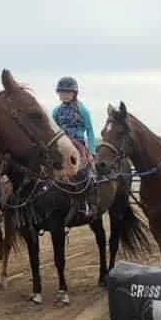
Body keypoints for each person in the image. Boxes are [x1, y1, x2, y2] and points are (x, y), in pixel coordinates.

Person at [52, 76, 97, 220]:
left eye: (67, 92)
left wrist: (91, 151)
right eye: (62, 92)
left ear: (74, 93)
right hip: (61, 145)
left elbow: (90, 131)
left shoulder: (82, 110)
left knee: (84, 172)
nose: (64, 95)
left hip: (78, 145)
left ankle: (87, 204)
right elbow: (52, 129)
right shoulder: (56, 111)